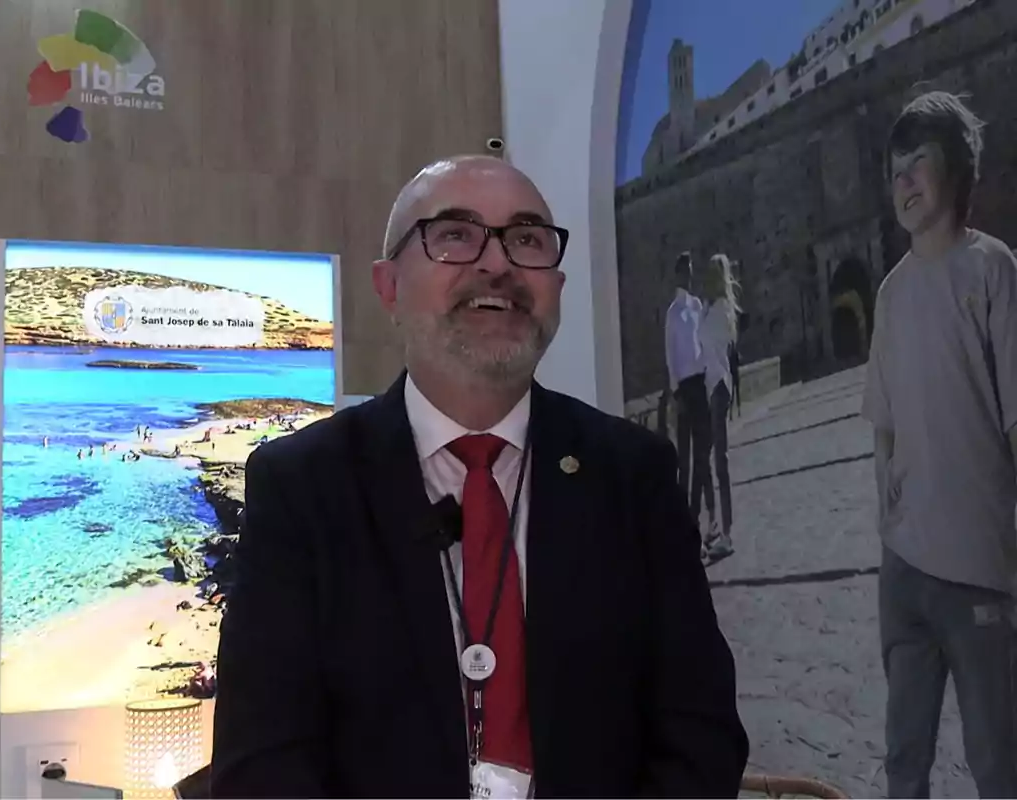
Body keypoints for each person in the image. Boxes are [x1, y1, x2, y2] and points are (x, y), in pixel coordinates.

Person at [209, 155, 748, 798]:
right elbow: (262, 766)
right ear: (388, 287)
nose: (497, 264)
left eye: (527, 239)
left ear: (557, 286)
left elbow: (702, 735)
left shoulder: (635, 476)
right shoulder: (302, 488)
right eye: (456, 234)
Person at [862, 91, 1017, 799]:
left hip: (980, 565)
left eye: (917, 162)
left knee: (997, 761)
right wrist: (887, 527)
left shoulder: (992, 271)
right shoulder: (891, 296)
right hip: (906, 574)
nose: (902, 182)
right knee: (904, 761)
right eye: (894, 169)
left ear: (957, 167)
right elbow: (883, 424)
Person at [665, 252, 714, 534]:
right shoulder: (672, 313)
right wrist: (675, 392)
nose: (689, 275)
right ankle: (682, 518)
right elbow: (670, 356)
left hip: (700, 383)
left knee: (702, 453)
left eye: (691, 270)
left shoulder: (697, 306)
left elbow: (704, 344)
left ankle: (696, 514)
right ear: (678, 274)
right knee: (684, 457)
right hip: (684, 388)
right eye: (685, 271)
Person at [697, 253, 740, 563]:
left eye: (713, 273)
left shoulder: (722, 310)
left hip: (719, 387)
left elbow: (713, 346)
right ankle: (718, 527)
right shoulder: (710, 308)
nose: (707, 279)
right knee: (712, 459)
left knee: (720, 460)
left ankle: (727, 533)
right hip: (711, 386)